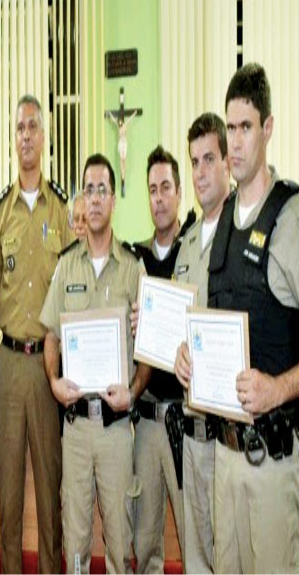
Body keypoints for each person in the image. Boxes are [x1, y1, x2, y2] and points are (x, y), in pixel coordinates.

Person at [198, 62, 299, 573]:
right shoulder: (221, 224)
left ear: (268, 129)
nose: (234, 144)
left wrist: (277, 390)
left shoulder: (292, 218)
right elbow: (213, 324)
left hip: (271, 464)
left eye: (245, 128)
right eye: (230, 128)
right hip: (224, 458)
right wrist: (187, 357)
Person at [40, 153, 146, 575]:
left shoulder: (133, 271)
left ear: (113, 199)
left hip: (118, 430)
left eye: (104, 189)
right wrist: (53, 380)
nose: (96, 198)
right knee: (77, 545)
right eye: (90, 189)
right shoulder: (66, 267)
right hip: (78, 430)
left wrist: (134, 392)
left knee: (121, 543)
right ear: (82, 199)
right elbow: (50, 337)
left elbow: (147, 351)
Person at [0, 94, 71, 575]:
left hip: (50, 368)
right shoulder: (1, 214)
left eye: (33, 126)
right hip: (11, 363)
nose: (25, 136)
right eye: (18, 127)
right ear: (13, 137)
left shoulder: (61, 210)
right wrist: (14, 331)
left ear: (44, 135)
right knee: (11, 495)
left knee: (50, 490)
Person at [172, 112, 231, 574]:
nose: (200, 172)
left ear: (227, 162)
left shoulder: (242, 234)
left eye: (209, 159)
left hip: (230, 438)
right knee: (196, 562)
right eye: (194, 161)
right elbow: (178, 329)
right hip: (192, 435)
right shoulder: (189, 242)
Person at [131, 145, 192, 575]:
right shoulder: (136, 261)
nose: (159, 197)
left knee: (195, 542)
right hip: (147, 421)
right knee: (144, 543)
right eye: (152, 189)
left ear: (179, 191)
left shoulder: (197, 253)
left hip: (188, 423)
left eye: (166, 187)